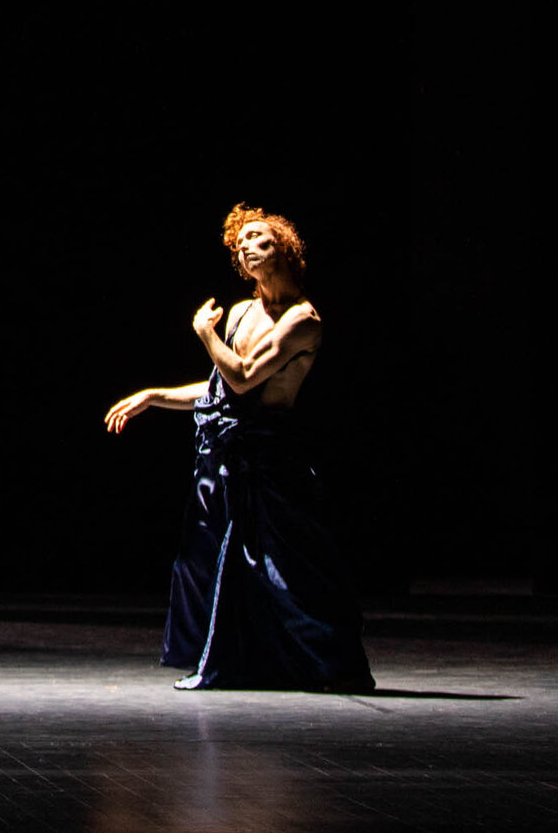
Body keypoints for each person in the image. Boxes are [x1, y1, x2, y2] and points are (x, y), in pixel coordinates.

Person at [103, 203, 374, 691]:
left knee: (285, 568)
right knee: (203, 561)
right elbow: (220, 390)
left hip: (270, 457)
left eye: (257, 238)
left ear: (283, 248)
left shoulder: (302, 321)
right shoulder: (243, 312)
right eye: (240, 242)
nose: (246, 246)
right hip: (225, 454)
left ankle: (328, 666)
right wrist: (154, 397)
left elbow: (244, 376)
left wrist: (205, 333)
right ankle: (236, 660)